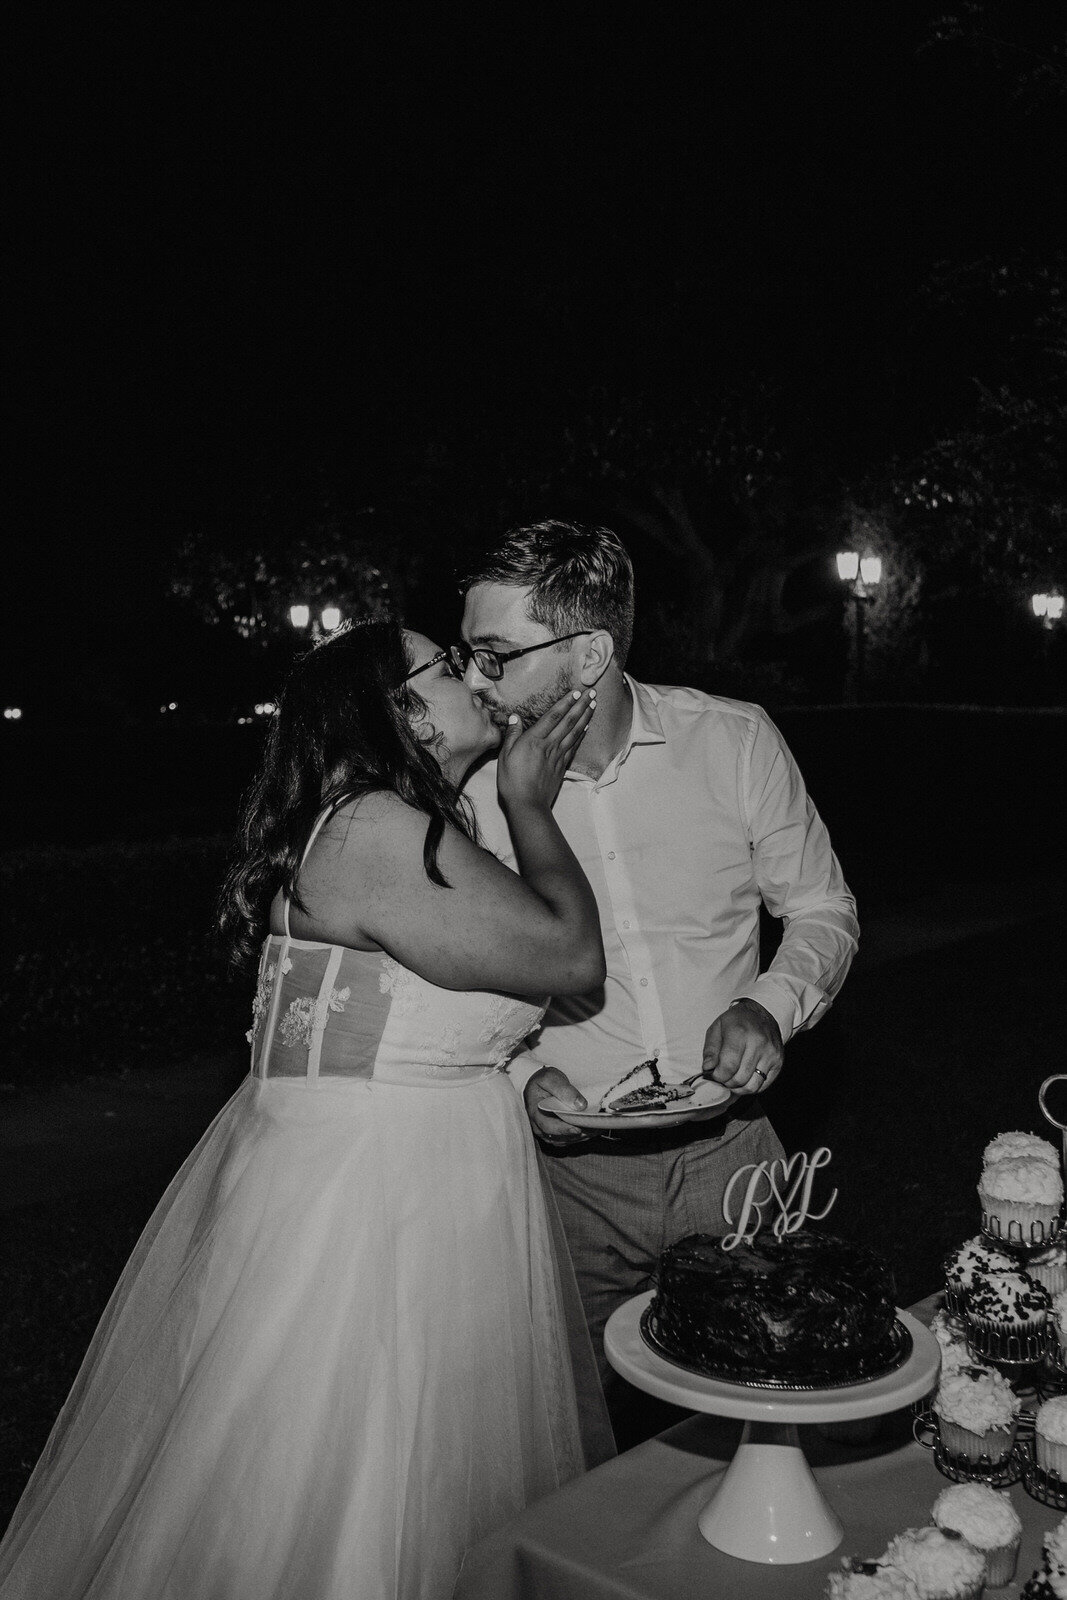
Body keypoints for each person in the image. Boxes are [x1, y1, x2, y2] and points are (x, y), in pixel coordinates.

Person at [0, 619, 614, 1600]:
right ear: (398, 710)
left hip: (411, 1166)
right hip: (376, 1202)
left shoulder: (380, 823)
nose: (469, 676)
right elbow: (570, 956)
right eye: (443, 665)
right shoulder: (375, 828)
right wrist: (529, 803)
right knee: (354, 1475)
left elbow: (441, 1006)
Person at [456, 520, 860, 1430]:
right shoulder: (475, 794)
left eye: (494, 654)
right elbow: (454, 981)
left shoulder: (732, 742)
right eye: (468, 655)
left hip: (734, 1158)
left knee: (767, 1411)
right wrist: (521, 1075)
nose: (475, 680)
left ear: (588, 651)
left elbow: (823, 910)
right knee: (560, 1438)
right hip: (566, 1181)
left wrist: (768, 1004)